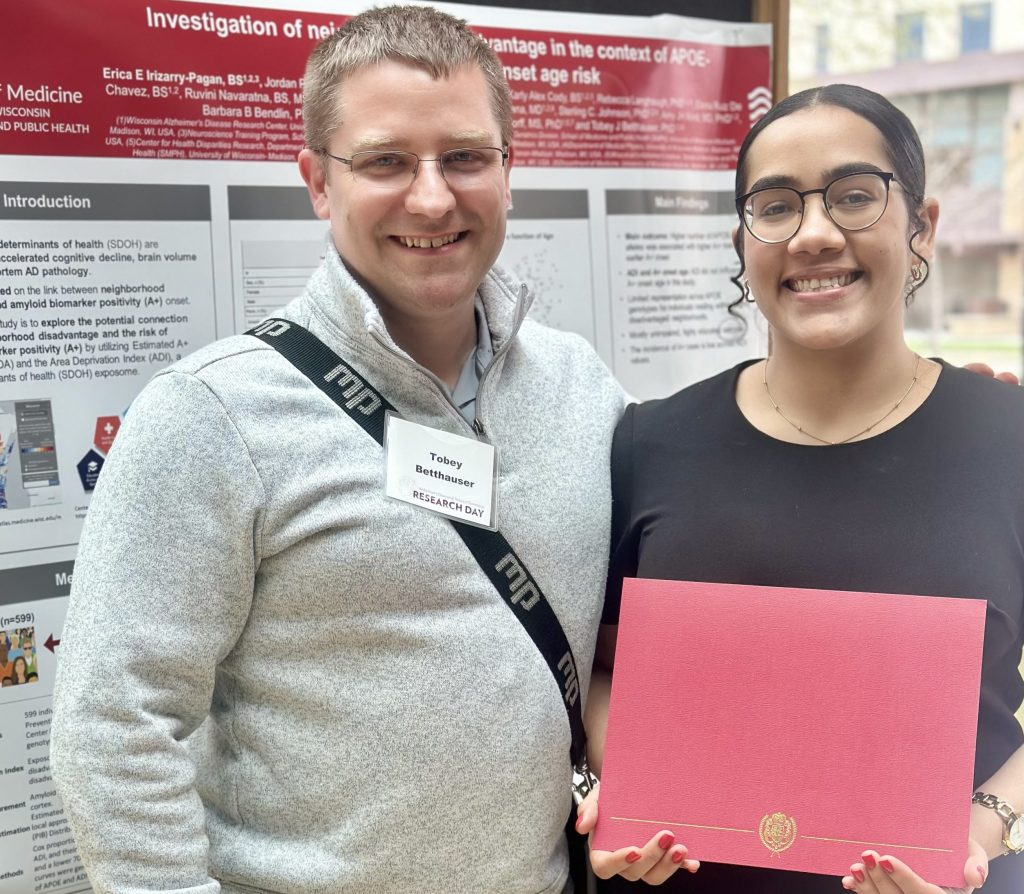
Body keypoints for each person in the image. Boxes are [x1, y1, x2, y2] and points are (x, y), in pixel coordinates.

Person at [50, 7, 627, 894]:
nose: (432, 198)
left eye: (466, 157)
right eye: (387, 161)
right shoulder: (212, 414)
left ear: (510, 171)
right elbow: (113, 727)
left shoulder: (582, 388)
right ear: (319, 182)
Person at [581, 84, 1024, 894]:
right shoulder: (651, 442)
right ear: (743, 243)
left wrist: (987, 820)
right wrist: (634, 795)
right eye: (776, 206)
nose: (815, 234)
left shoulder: (1011, 437)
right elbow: (603, 669)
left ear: (922, 226)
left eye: (855, 197)